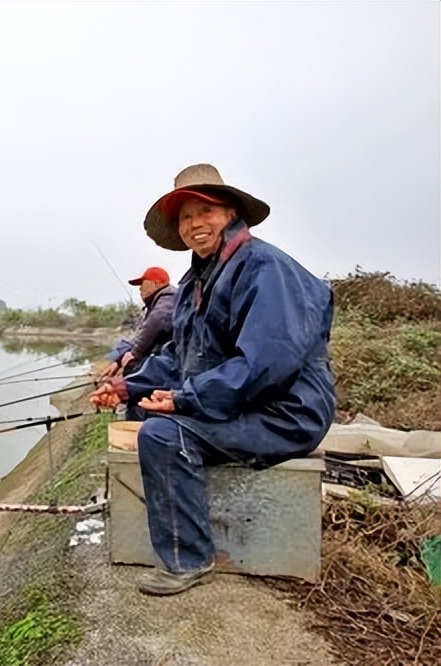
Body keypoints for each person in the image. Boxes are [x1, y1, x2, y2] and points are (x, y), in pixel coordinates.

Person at [89, 164, 335, 596]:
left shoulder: (265, 268)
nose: (194, 224)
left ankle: (189, 560)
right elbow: (181, 361)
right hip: (244, 405)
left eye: (206, 210)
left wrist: (187, 400)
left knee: (165, 435)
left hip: (285, 412)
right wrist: (127, 387)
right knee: (152, 419)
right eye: (185, 217)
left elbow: (265, 364)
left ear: (231, 213)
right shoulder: (195, 284)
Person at [99, 266, 176, 381]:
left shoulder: (168, 299)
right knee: (125, 347)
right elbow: (139, 337)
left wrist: (135, 353)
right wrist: (119, 361)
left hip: (171, 359)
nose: (140, 289)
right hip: (166, 355)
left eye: (142, 284)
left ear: (158, 283)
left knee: (132, 366)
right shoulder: (157, 302)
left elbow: (157, 320)